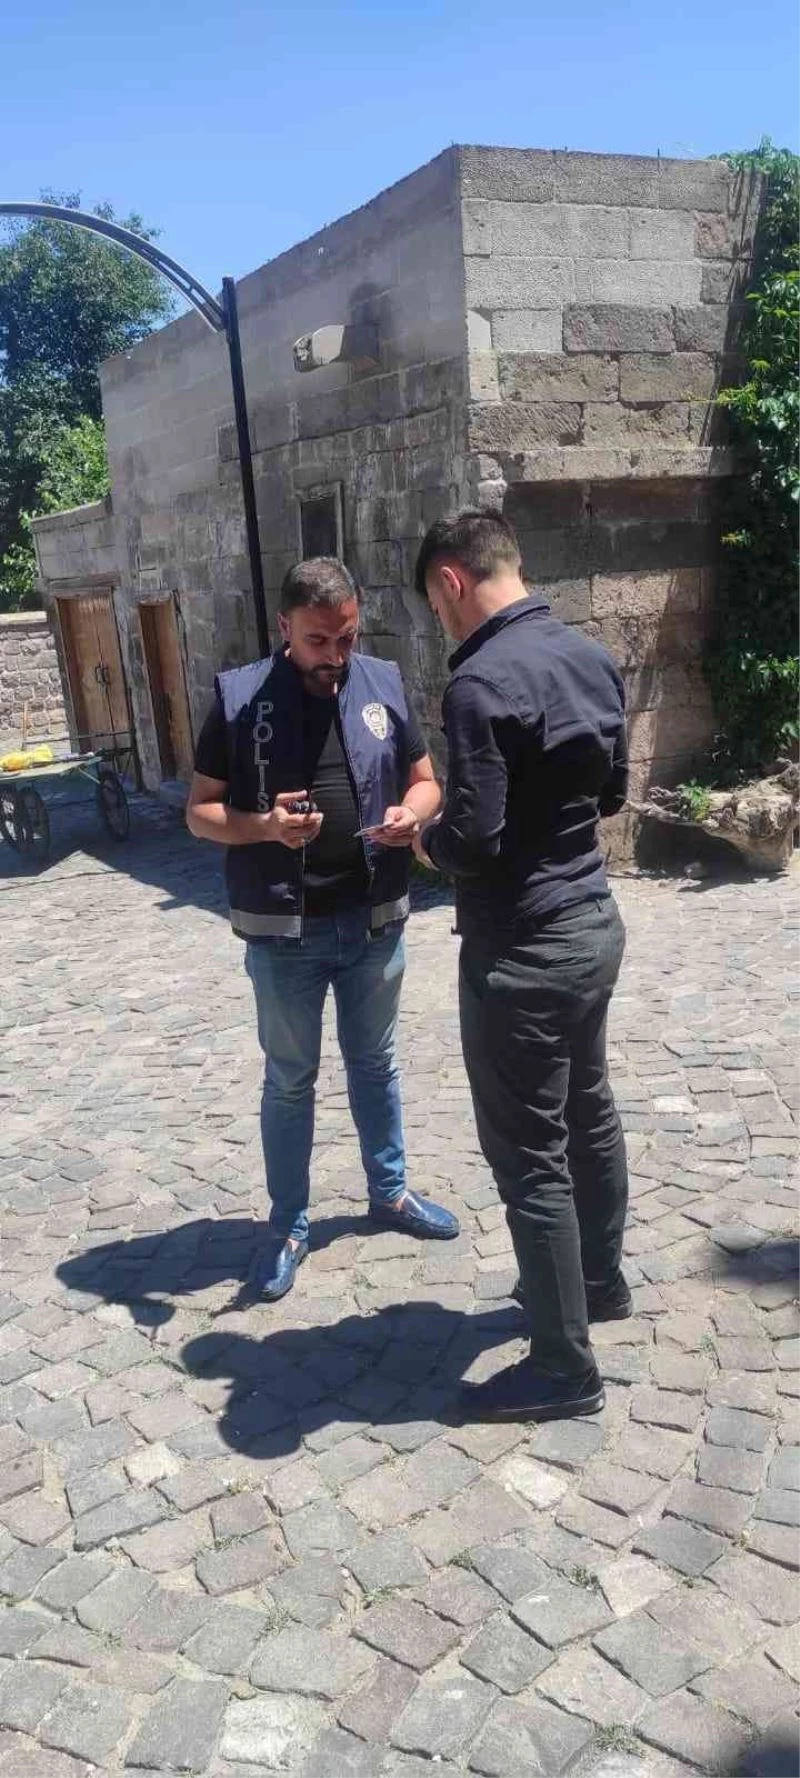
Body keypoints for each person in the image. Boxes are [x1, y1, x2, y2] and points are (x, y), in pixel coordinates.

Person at [187, 555, 458, 1300]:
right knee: (290, 1080)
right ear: (285, 627)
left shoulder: (383, 682)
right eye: (317, 641)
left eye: (346, 638)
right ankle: (287, 1225)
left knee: (376, 1065)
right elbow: (199, 813)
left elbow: (426, 780)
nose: (335, 656)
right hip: (284, 932)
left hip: (373, 921)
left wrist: (412, 813)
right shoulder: (239, 697)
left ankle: (390, 1194)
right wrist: (265, 828)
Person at [412, 510, 630, 1424]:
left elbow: (474, 840)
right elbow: (612, 792)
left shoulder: (480, 682)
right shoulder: (591, 657)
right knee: (589, 1109)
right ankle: (599, 1283)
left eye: (435, 607)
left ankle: (563, 1370)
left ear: (452, 582)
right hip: (594, 921)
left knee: (530, 1155)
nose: (441, 622)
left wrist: (422, 841)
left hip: (524, 949)